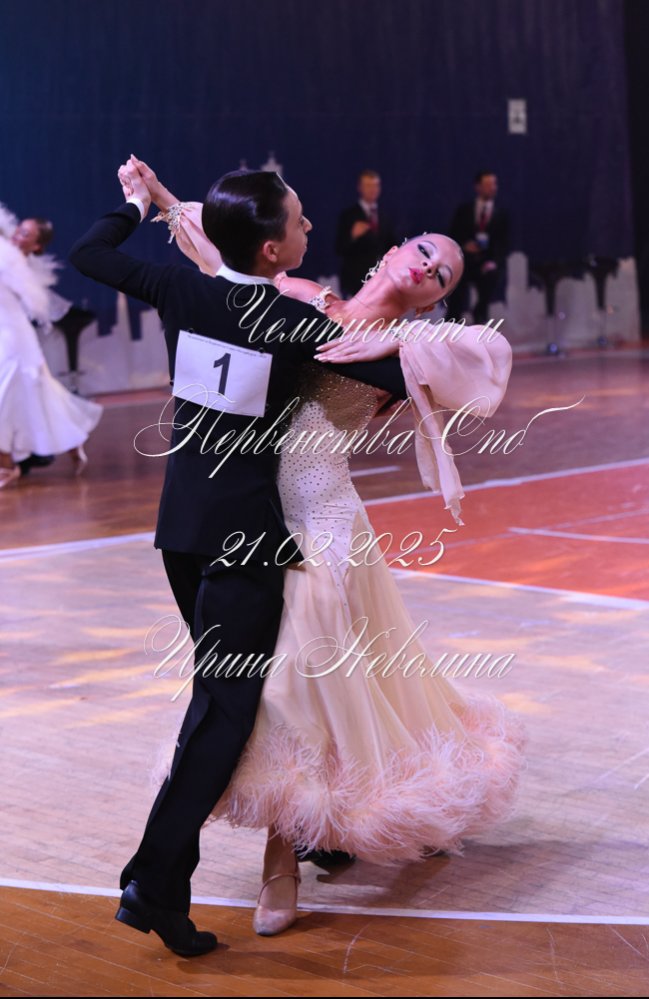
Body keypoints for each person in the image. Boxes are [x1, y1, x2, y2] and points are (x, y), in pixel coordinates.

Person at [132, 158, 524, 938]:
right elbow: (220, 259)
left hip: (321, 517)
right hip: (252, 509)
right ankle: (318, 828)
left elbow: (484, 357)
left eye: (442, 272)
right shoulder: (304, 295)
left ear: (437, 294)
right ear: (394, 247)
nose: (426, 265)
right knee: (273, 683)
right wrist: (163, 199)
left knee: (297, 680)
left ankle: (282, 857)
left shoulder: (409, 350)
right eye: (423, 248)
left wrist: (395, 346)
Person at [69, 159, 411, 957]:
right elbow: (392, 370)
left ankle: (175, 873)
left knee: (216, 705)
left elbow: (89, 254)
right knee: (226, 714)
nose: (308, 227)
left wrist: (133, 205)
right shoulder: (291, 322)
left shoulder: (181, 291)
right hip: (246, 542)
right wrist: (400, 338)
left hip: (180, 531)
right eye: (298, 220)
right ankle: (153, 881)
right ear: (271, 251)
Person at [0, 205, 101, 488]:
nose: (17, 236)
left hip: (14, 340)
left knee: (7, 398)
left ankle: (6, 465)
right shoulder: (7, 256)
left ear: (36, 245)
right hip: (6, 335)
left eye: (26, 234)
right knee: (39, 397)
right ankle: (73, 441)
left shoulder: (18, 266)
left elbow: (36, 305)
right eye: (19, 230)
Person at [447, 171, 510, 325]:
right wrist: (464, 246)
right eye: (488, 184)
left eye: (494, 184)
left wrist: (493, 261)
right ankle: (452, 322)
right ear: (478, 187)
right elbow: (453, 236)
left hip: (487, 262)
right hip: (465, 262)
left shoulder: (502, 214)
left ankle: (480, 314)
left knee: (491, 276)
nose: (492, 188)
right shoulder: (464, 210)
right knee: (456, 287)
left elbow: (504, 243)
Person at [335, 169, 396, 297]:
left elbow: (391, 245)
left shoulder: (384, 216)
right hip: (355, 282)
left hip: (380, 281)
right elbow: (339, 248)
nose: (373, 189)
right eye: (368, 185)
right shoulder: (349, 215)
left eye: (376, 185)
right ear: (360, 188)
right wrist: (352, 236)